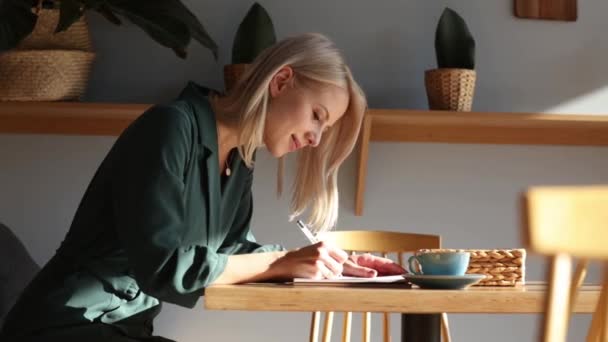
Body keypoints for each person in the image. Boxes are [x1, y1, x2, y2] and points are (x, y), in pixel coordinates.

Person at [0, 33, 405, 342]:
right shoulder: (170, 127)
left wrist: (326, 267)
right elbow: (165, 266)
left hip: (123, 331)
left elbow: (232, 253)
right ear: (281, 82)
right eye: (317, 116)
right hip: (64, 327)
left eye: (325, 127)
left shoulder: (240, 157)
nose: (316, 138)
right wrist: (282, 262)